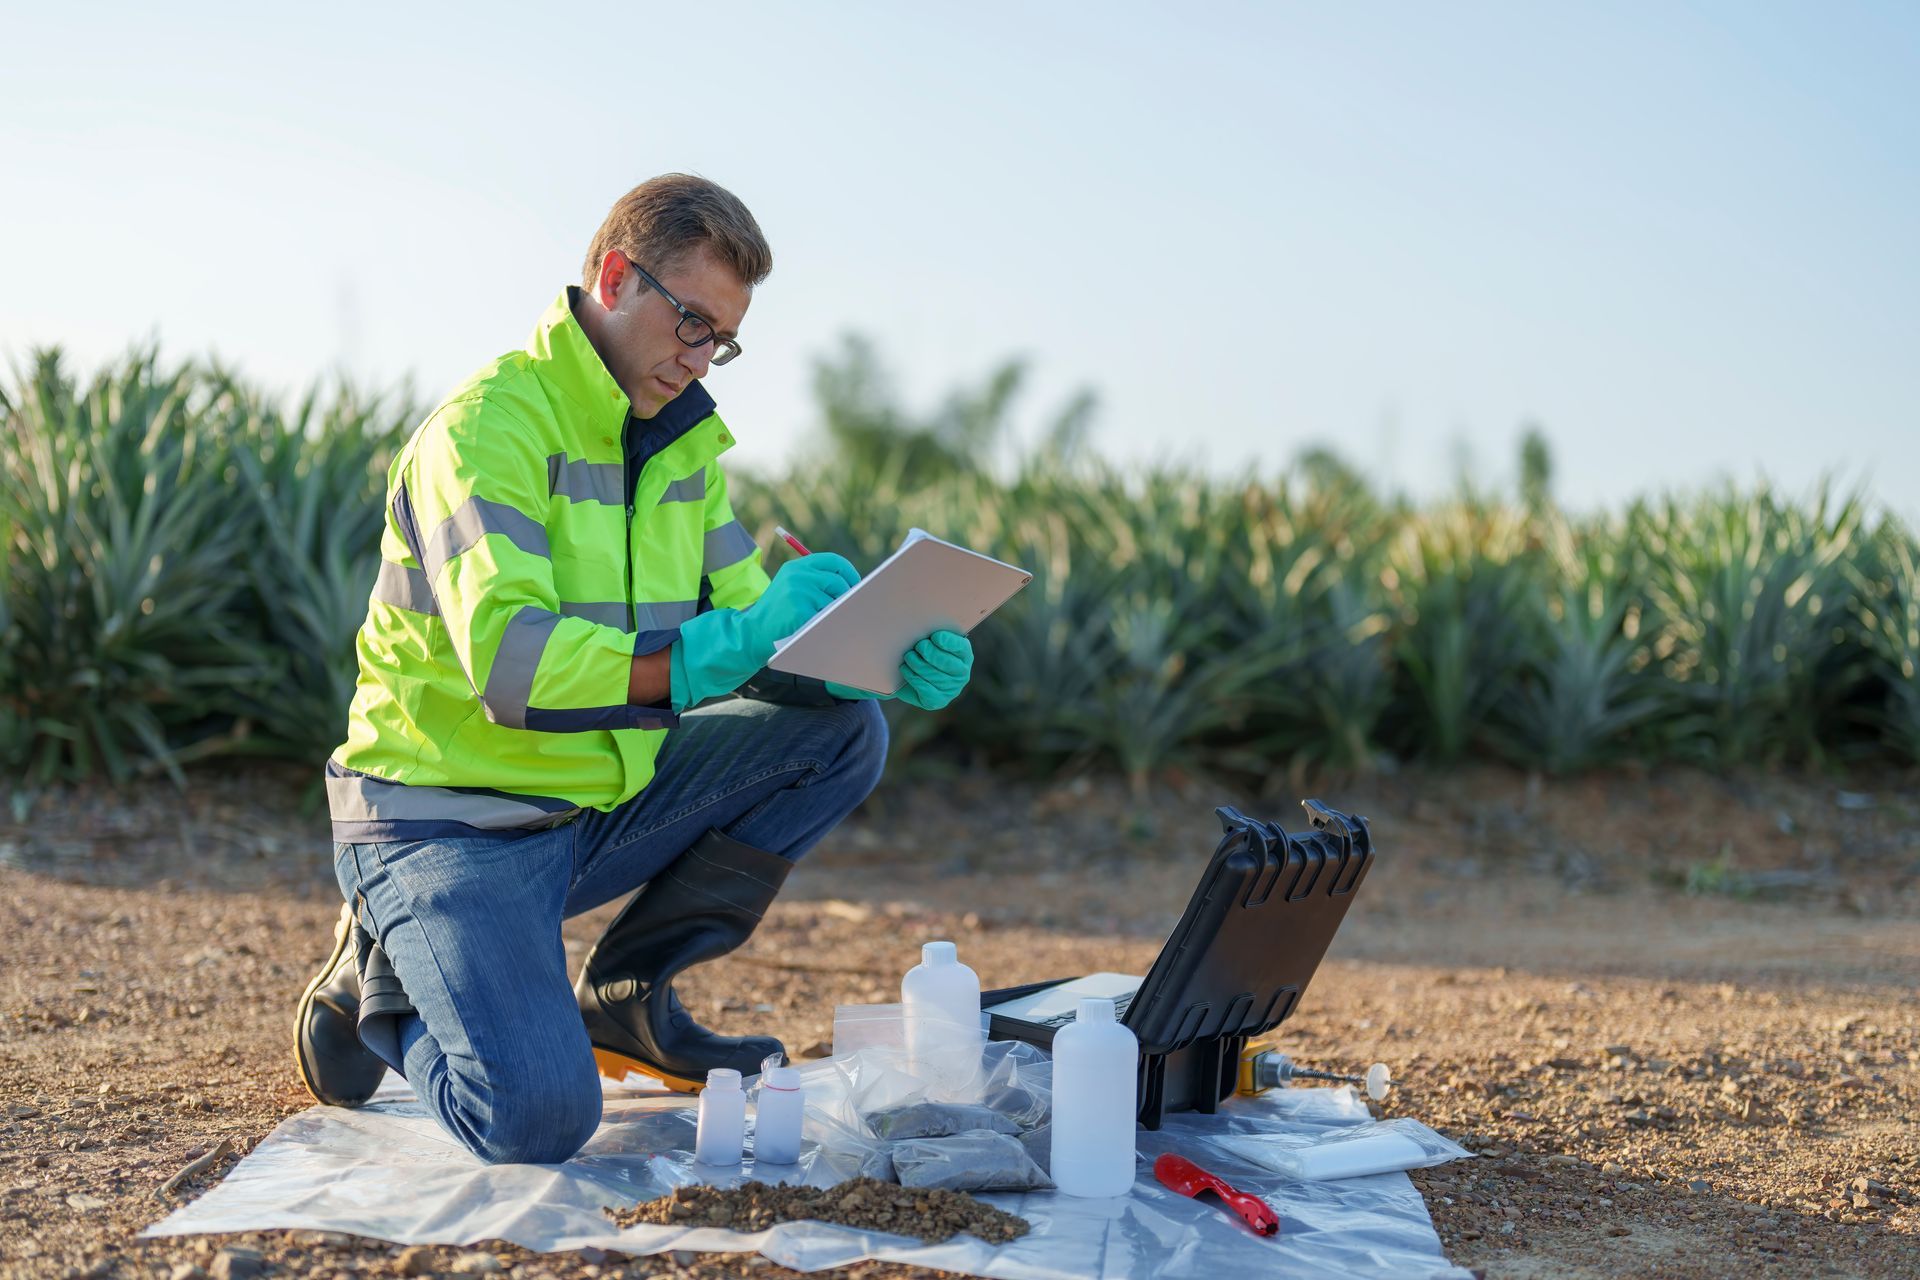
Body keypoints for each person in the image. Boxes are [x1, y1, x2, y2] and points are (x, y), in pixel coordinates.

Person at [293, 174, 974, 1165]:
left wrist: (869, 654)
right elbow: (516, 670)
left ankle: (627, 1000)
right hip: (446, 818)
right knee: (536, 1116)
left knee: (841, 733)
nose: (702, 359)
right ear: (616, 277)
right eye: (690, 322)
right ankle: (383, 959)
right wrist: (735, 643)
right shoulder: (488, 431)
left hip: (584, 807)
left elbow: (759, 636)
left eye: (723, 339)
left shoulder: (682, 449)